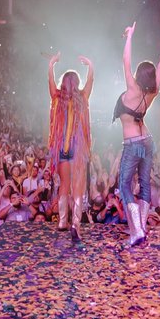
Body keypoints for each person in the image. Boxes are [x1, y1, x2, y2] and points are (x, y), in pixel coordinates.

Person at [114, 22, 160, 248]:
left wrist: (130, 36)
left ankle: (137, 231)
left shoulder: (133, 90)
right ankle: (141, 228)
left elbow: (125, 62)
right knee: (143, 184)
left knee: (124, 185)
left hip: (132, 143)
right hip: (147, 142)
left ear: (139, 75)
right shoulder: (153, 91)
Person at [46, 52, 94, 241]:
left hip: (61, 149)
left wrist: (51, 65)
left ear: (64, 83)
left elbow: (50, 83)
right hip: (77, 147)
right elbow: (91, 81)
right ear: (76, 83)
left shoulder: (57, 98)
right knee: (77, 187)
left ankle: (62, 222)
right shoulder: (82, 98)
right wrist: (90, 66)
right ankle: (75, 223)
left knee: (64, 185)